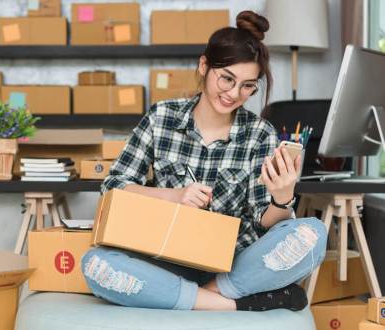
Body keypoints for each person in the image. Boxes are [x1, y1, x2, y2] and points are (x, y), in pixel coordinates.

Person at [81, 10, 327, 312]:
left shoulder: (260, 133)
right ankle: (232, 305)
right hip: (166, 259)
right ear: (204, 65)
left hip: (232, 268)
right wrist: (174, 196)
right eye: (227, 78)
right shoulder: (161, 118)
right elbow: (112, 188)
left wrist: (282, 199)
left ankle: (199, 294)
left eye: (248, 85)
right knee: (95, 264)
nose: (234, 94)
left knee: (312, 233)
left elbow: (263, 226)